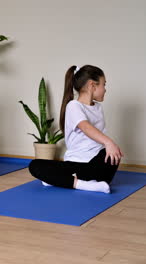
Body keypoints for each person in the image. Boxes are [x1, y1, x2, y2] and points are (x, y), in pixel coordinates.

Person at [28, 65, 123, 194]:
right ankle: (82, 184)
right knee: (35, 166)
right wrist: (109, 142)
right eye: (104, 85)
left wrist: (111, 148)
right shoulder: (74, 106)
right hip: (75, 163)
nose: (105, 89)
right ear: (92, 85)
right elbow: (85, 126)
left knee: (112, 155)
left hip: (95, 163)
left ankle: (61, 180)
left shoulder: (98, 108)